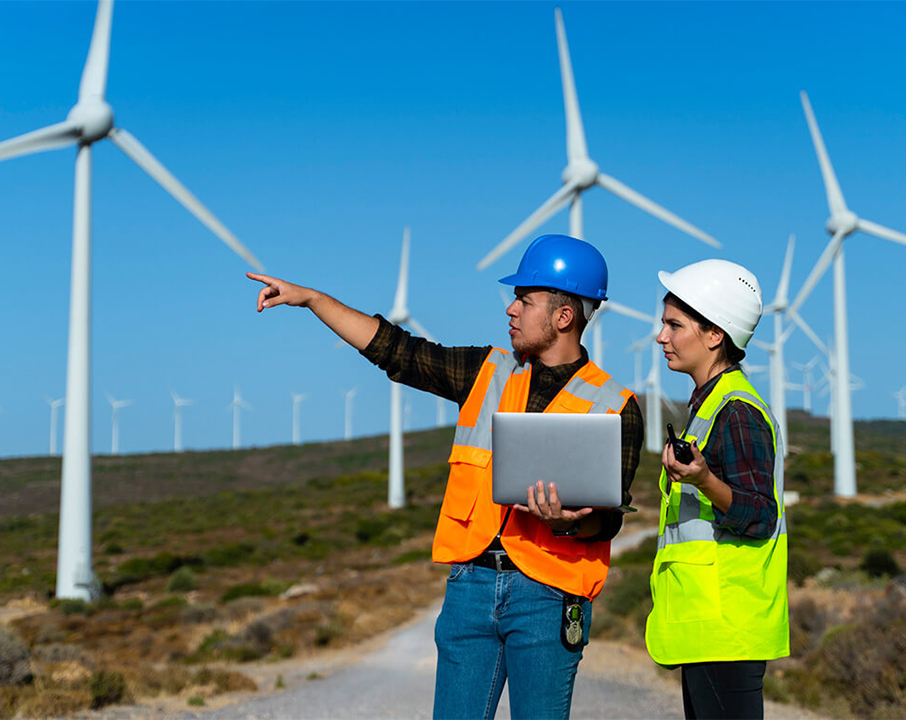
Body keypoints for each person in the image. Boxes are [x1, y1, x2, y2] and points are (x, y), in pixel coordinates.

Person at [249, 234, 643, 720]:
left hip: (550, 595)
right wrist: (313, 300)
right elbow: (397, 351)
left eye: (525, 299)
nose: (511, 310)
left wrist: (565, 522)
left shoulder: (616, 407)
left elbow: (607, 521)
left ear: (564, 317)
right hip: (470, 586)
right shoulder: (486, 371)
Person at [643, 259, 789, 720]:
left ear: (714, 335)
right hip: (711, 626)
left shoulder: (737, 411)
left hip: (727, 628)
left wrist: (704, 479)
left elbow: (760, 513)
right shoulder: (709, 406)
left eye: (673, 324)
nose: (660, 336)